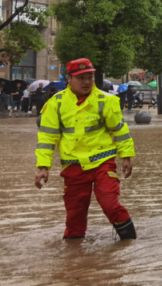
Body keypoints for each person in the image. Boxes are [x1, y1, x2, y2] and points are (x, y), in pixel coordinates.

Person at [34, 58, 137, 240]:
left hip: (102, 163)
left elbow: (120, 131)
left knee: (110, 204)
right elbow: (47, 138)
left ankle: (130, 244)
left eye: (90, 77)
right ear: (69, 79)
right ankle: (74, 257)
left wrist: (126, 156)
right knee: (74, 213)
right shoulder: (55, 103)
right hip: (73, 166)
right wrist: (43, 166)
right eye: (81, 77)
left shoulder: (106, 101)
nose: (87, 81)